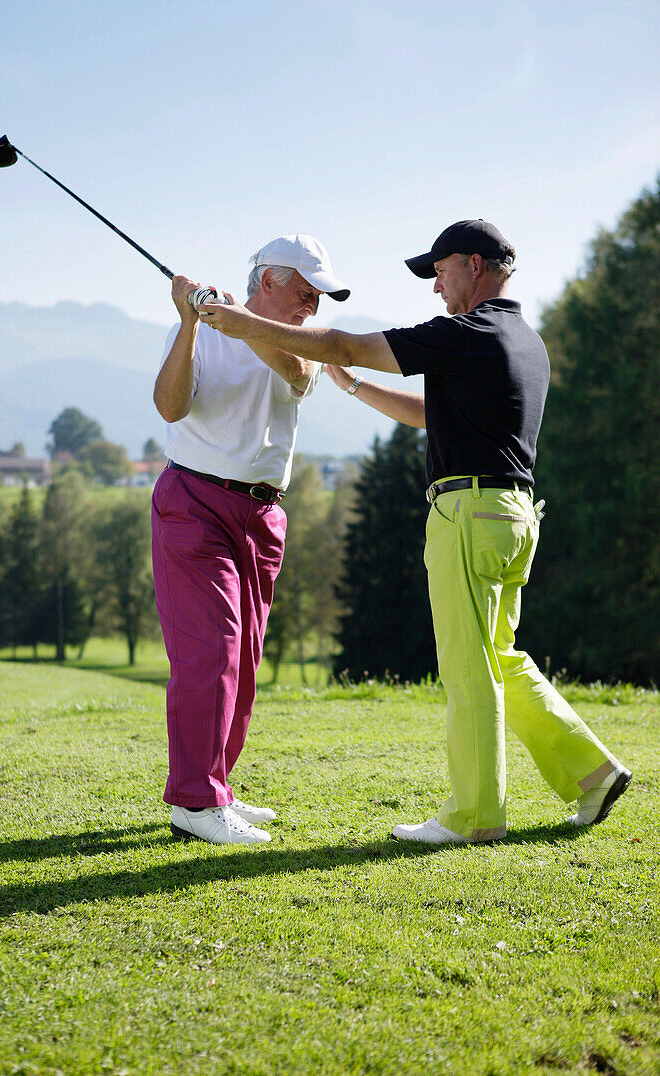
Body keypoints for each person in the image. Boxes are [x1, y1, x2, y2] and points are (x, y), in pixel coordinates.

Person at [199, 219, 632, 846]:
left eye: (440, 270)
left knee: (469, 668)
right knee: (502, 658)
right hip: (514, 517)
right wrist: (352, 388)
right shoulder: (524, 341)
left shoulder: (466, 333)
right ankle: (592, 773)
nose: (434, 286)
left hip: (469, 516)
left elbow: (344, 343)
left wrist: (241, 323)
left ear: (473, 264)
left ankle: (474, 814)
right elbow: (433, 416)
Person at [152, 235, 349, 845]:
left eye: (320, 296)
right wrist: (191, 324)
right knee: (211, 648)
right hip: (194, 503)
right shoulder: (203, 329)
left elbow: (295, 372)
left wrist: (233, 322)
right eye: (305, 291)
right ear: (270, 280)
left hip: (262, 514)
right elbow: (169, 406)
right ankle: (195, 800)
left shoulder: (302, 343)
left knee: (243, 659)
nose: (313, 306)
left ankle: (215, 788)